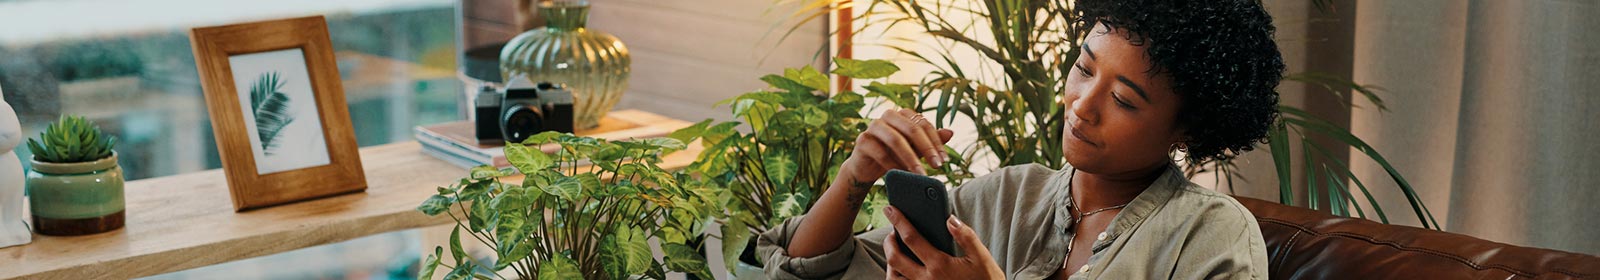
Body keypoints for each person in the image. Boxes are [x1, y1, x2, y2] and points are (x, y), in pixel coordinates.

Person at [755, 0, 1286, 279]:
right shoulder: (1006, 197)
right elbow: (814, 271)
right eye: (1083, 68)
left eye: (1124, 100)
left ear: (1187, 129)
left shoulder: (1211, 236)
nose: (1082, 104)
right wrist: (855, 175)